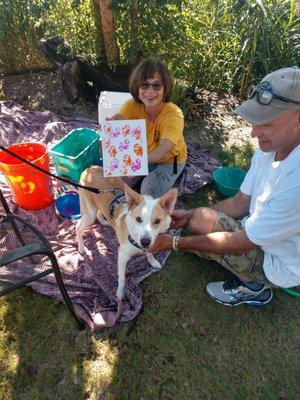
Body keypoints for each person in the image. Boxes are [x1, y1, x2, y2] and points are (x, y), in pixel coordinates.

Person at [148, 66, 300, 307]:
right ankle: (209, 242)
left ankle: (255, 288)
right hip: (258, 231)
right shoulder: (269, 150)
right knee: (198, 221)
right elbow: (241, 202)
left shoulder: (296, 185)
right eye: (254, 122)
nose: (253, 133)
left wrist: (174, 243)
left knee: (199, 240)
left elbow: (244, 242)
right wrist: (188, 217)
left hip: (280, 262)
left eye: (266, 124)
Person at [107, 57, 187, 198]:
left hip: (171, 160)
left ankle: (171, 175)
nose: (150, 91)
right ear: (137, 87)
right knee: (115, 185)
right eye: (145, 85)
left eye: (157, 86)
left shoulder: (174, 114)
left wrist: (136, 163)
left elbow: (163, 150)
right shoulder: (132, 105)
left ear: (165, 88)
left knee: (148, 191)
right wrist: (111, 124)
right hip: (142, 154)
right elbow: (119, 119)